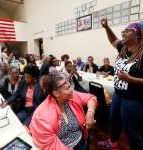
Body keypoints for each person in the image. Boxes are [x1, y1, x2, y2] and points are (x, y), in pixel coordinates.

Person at [101, 18, 143, 149]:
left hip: (133, 100)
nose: (123, 33)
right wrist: (107, 27)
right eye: (123, 31)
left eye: (128, 31)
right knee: (113, 121)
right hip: (118, 95)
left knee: (130, 130)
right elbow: (113, 40)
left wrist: (130, 79)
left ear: (138, 35)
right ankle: (112, 142)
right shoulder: (123, 49)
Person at [29, 73, 97, 150]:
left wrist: (90, 113)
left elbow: (91, 98)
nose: (72, 90)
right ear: (56, 93)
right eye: (68, 88)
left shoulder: (71, 97)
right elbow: (51, 146)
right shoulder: (43, 116)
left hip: (80, 140)